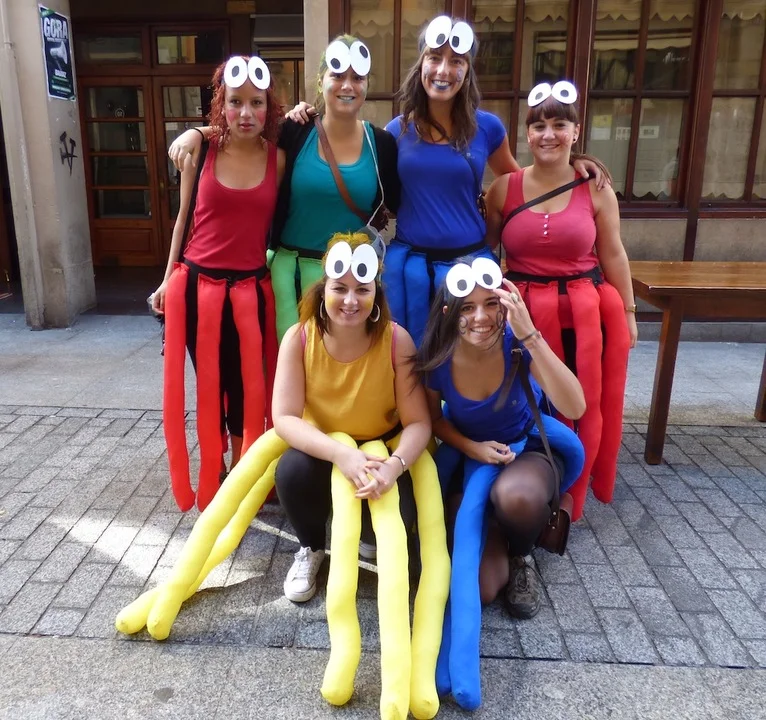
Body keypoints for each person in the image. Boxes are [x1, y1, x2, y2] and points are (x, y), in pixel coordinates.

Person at [414, 262, 585, 709]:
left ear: (506, 304)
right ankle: (501, 531)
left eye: (491, 303)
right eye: (468, 307)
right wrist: (473, 448)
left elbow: (575, 405)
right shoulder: (438, 352)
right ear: (450, 310)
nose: (481, 317)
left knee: (517, 497)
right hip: (474, 456)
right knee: (484, 587)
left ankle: (522, 550)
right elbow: (433, 421)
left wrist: (531, 335)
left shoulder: (517, 343)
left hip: (526, 447)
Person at [168, 36, 400, 342]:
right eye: (337, 75)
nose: (347, 85)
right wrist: (198, 133)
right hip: (289, 278)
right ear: (321, 81)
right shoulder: (295, 130)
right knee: (288, 361)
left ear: (367, 84)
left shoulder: (382, 144)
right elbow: (244, 132)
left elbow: (399, 204)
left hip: (350, 282)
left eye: (357, 78)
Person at [484, 81, 637, 522]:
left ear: (576, 131)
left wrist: (629, 314)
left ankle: (576, 485)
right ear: (526, 134)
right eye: (539, 126)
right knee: (533, 399)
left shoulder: (596, 188)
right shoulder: (503, 189)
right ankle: (533, 475)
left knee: (584, 399)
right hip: (525, 313)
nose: (548, 134)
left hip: (584, 315)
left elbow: (613, 253)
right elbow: (486, 253)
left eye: (559, 125)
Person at [151, 55, 284, 512]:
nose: (246, 113)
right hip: (197, 289)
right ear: (220, 104)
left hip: (251, 291)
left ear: (269, 108)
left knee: (248, 385)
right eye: (235, 102)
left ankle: (244, 469)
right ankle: (219, 467)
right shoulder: (202, 151)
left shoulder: (278, 158)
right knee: (211, 382)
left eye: (256, 103)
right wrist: (166, 280)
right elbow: (182, 220)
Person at [271, 230, 431, 602]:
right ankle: (311, 546)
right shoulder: (298, 338)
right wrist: (342, 454)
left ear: (376, 295)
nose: (350, 300)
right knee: (292, 472)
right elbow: (285, 417)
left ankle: (368, 534)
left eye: (362, 290)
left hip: (380, 451)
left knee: (401, 518)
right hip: (322, 447)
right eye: (339, 288)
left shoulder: (397, 340)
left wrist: (393, 467)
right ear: (322, 289)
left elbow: (419, 422)